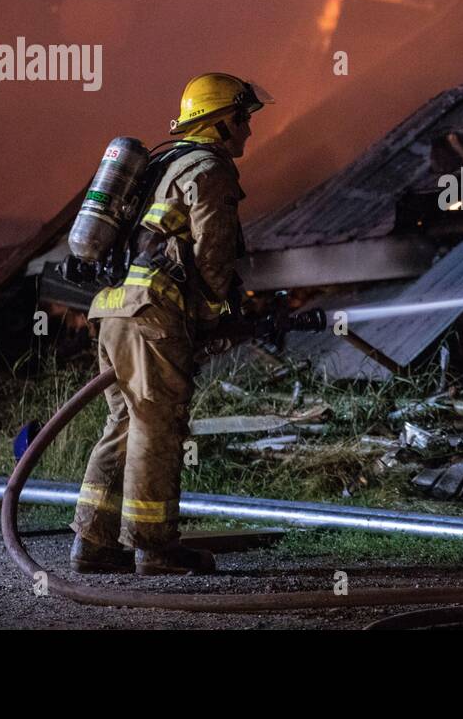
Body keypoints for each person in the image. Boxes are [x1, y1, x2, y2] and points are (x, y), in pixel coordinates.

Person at [69, 72, 270, 575]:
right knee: (158, 426)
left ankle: (92, 544)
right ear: (221, 123)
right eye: (242, 119)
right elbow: (212, 256)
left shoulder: (162, 163)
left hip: (114, 309)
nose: (248, 131)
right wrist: (213, 317)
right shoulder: (209, 168)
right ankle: (154, 547)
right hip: (152, 314)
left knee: (125, 422)